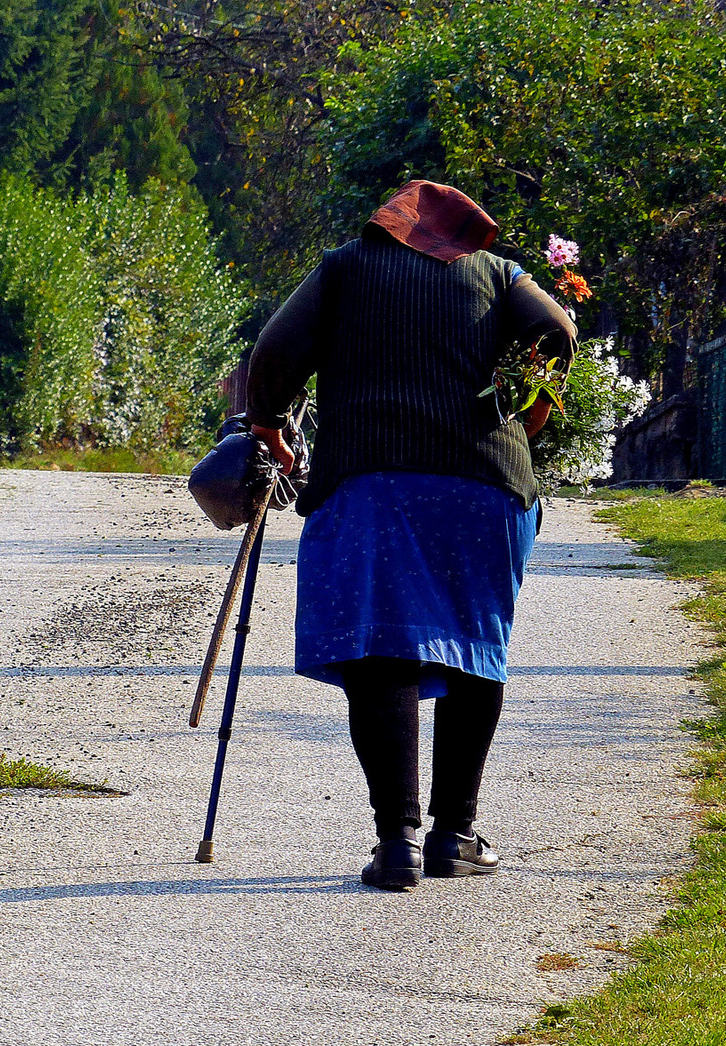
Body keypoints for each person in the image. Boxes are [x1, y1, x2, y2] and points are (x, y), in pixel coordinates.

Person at [244, 180, 576, 890]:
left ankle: (398, 845)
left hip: (371, 484)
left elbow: (274, 353)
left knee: (382, 651)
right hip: (485, 487)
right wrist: (531, 402)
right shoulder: (499, 274)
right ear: (466, 234)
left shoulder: (345, 267)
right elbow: (556, 330)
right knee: (473, 649)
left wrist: (268, 421)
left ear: (385, 227)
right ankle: (454, 836)